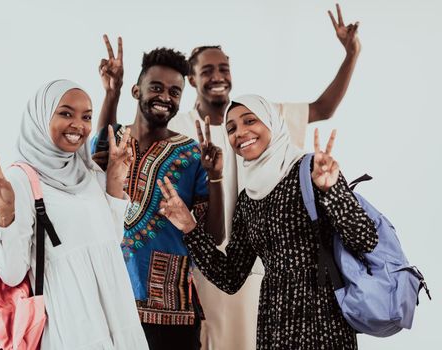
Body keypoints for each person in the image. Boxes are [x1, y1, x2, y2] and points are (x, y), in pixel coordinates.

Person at [96, 4, 362, 348]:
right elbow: (105, 153)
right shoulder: (177, 126)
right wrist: (111, 93)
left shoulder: (283, 149)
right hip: (210, 267)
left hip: (283, 295)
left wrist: (351, 53)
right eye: (207, 70)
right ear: (192, 81)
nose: (242, 133)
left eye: (224, 68)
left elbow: (322, 109)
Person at [156, 94, 378, 349]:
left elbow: (366, 239)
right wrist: (190, 227)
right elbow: (230, 276)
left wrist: (332, 191)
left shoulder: (311, 172)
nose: (241, 132)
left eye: (250, 120)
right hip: (275, 321)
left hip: (322, 316)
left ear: (272, 123)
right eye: (232, 128)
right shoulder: (249, 198)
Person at [0, 80, 149, 350]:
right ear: (41, 118)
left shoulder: (87, 172)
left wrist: (113, 183)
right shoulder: (21, 179)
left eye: (86, 116)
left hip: (117, 316)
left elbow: (111, 242)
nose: (79, 124)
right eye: (65, 113)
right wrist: (5, 213)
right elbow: (11, 274)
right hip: (74, 326)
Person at [91, 47, 224, 350]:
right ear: (136, 90)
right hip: (108, 299)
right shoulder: (113, 142)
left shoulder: (192, 154)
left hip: (169, 313)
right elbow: (96, 168)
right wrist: (111, 94)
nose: (165, 96)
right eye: (156, 87)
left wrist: (215, 176)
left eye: (175, 91)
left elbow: (214, 236)